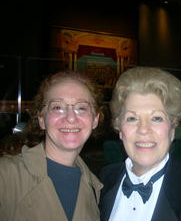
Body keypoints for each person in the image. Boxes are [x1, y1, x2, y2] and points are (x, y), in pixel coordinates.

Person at [99, 67, 181, 221]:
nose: (144, 130)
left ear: (172, 128)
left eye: (156, 118)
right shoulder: (102, 180)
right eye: (132, 118)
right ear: (119, 129)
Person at [0, 70, 104, 221]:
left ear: (95, 119)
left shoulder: (96, 188)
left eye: (81, 108)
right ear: (42, 119)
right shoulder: (6, 175)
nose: (70, 118)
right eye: (57, 107)